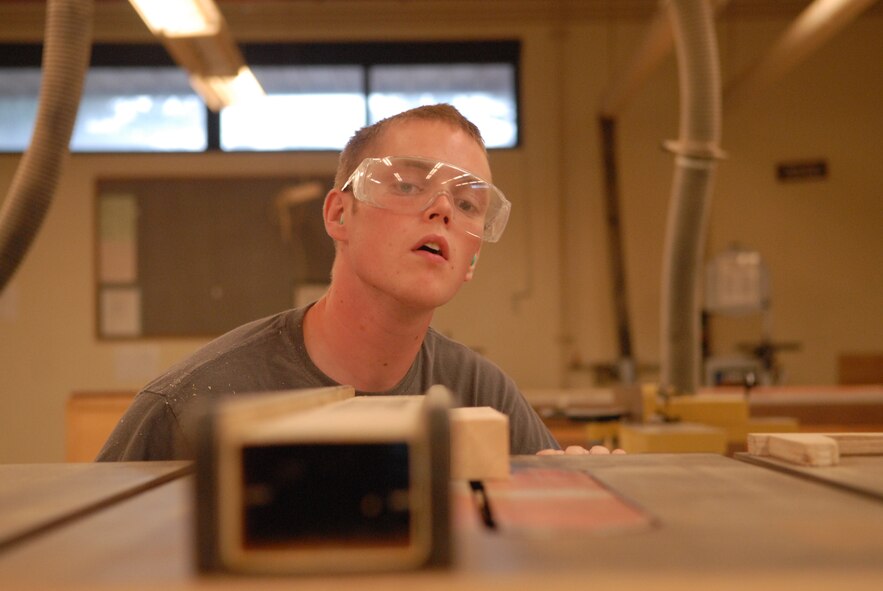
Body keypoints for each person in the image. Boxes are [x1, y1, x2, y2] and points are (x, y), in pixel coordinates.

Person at [98, 104, 613, 462]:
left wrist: (579, 486)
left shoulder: (481, 396)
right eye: (409, 184)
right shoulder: (191, 404)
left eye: (467, 204)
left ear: (471, 258)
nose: (441, 209)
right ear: (340, 214)